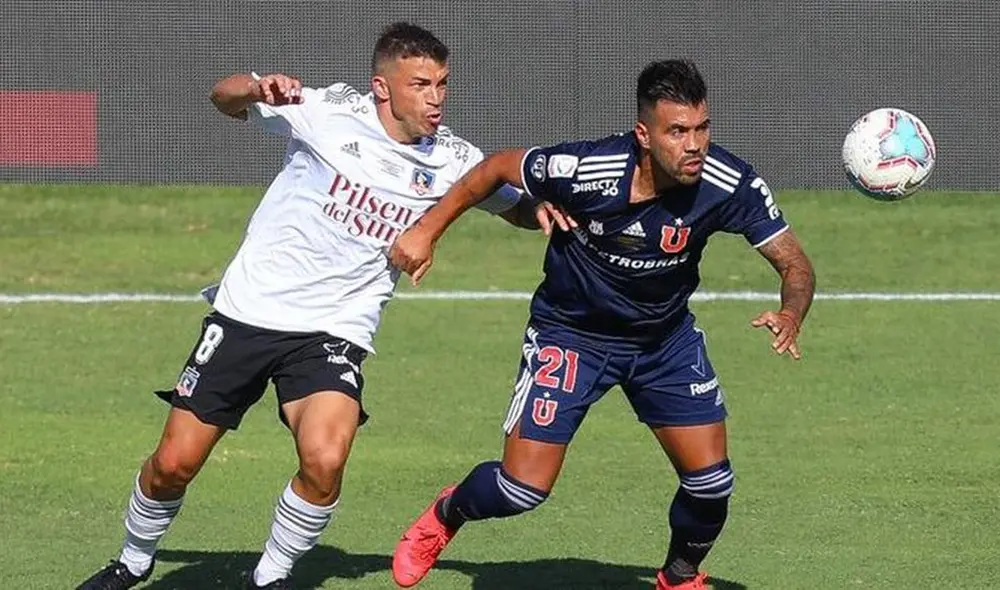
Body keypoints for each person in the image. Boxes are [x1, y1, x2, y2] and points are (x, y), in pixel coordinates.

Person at [75, 22, 567, 590]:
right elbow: (222, 96)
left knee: (326, 460)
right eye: (420, 84)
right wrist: (257, 89)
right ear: (382, 88)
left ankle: (270, 576)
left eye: (442, 84)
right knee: (173, 464)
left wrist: (552, 216)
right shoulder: (328, 110)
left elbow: (509, 204)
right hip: (248, 312)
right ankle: (133, 561)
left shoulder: (454, 157)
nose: (436, 98)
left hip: (335, 329)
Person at [388, 59, 816, 589]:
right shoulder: (588, 169)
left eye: (702, 128)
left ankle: (680, 575)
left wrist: (792, 312)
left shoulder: (729, 182)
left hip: (663, 342)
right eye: (677, 131)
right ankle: (447, 513)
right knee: (522, 489)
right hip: (572, 335)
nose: (694, 145)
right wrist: (427, 231)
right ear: (644, 134)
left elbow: (795, 264)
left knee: (710, 484)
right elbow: (496, 168)